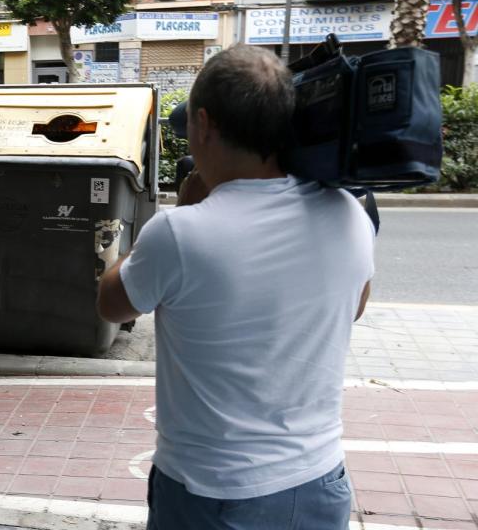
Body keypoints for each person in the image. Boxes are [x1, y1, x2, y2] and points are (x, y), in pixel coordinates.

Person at [96, 44, 375, 529]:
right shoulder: (349, 214)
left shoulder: (181, 233)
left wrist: (182, 210)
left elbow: (112, 305)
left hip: (213, 495)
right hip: (320, 485)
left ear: (203, 125)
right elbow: (353, 306)